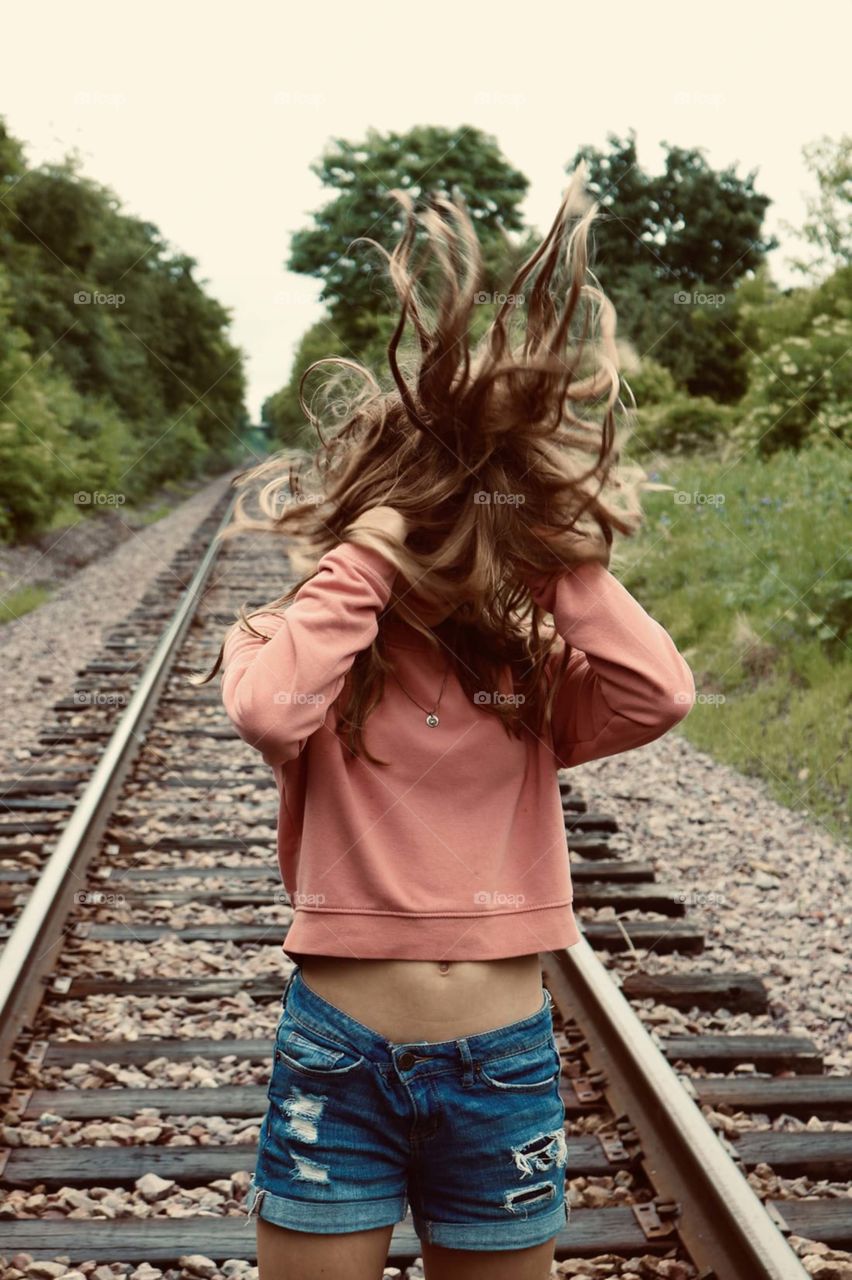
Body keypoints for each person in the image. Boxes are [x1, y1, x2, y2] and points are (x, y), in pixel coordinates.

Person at [194, 161, 696, 1280]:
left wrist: (552, 553)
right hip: (338, 1058)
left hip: (501, 1064)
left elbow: (658, 693)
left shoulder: (528, 678)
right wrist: (367, 548)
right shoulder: (292, 647)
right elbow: (273, 710)